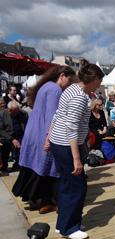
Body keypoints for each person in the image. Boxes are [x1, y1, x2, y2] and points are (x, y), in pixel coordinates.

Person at [48, 62, 104, 239]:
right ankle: (70, 228)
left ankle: (63, 223)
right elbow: (71, 127)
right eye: (100, 81)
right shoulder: (79, 97)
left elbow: (58, 115)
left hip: (59, 142)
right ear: (93, 79)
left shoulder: (73, 89)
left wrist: (48, 137)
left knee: (66, 184)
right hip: (67, 145)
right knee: (77, 187)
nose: (100, 84)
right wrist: (76, 159)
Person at [12, 66, 76, 214]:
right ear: (62, 76)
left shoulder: (45, 86)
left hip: (33, 131)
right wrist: (50, 136)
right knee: (48, 169)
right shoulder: (55, 90)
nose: (69, 84)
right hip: (43, 133)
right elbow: (52, 116)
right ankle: (46, 201)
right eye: (69, 80)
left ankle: (38, 200)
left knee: (36, 168)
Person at [7, 100, 28, 171]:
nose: (17, 112)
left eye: (17, 110)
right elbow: (1, 130)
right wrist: (12, 139)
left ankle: (19, 164)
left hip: (20, 134)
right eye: (15, 111)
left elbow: (26, 127)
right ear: (9, 110)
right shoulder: (3, 114)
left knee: (23, 144)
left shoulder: (23, 114)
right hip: (8, 136)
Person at [0, 97, 13, 175]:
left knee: (5, 154)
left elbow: (8, 126)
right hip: (3, 137)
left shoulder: (5, 112)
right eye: (0, 103)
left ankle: (4, 168)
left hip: (6, 137)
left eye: (3, 103)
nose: (2, 105)